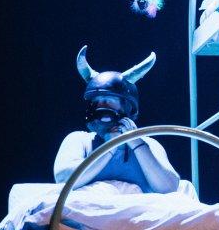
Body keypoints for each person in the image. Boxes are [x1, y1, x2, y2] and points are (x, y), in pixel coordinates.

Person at [53, 45, 193, 196]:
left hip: (139, 210)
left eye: (108, 101)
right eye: (96, 102)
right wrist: (109, 148)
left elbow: (169, 188)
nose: (101, 107)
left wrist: (136, 143)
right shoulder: (79, 140)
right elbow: (63, 179)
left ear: (127, 107)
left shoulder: (148, 144)